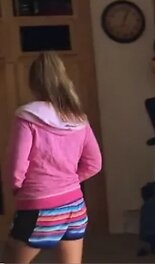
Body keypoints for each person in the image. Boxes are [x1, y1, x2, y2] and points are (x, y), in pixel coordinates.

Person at [2, 51, 102, 263]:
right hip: (75, 206)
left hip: (39, 205)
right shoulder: (78, 118)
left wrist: (17, 187)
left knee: (11, 254)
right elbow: (94, 163)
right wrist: (70, 181)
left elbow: (16, 167)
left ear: (33, 82)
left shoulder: (27, 117)